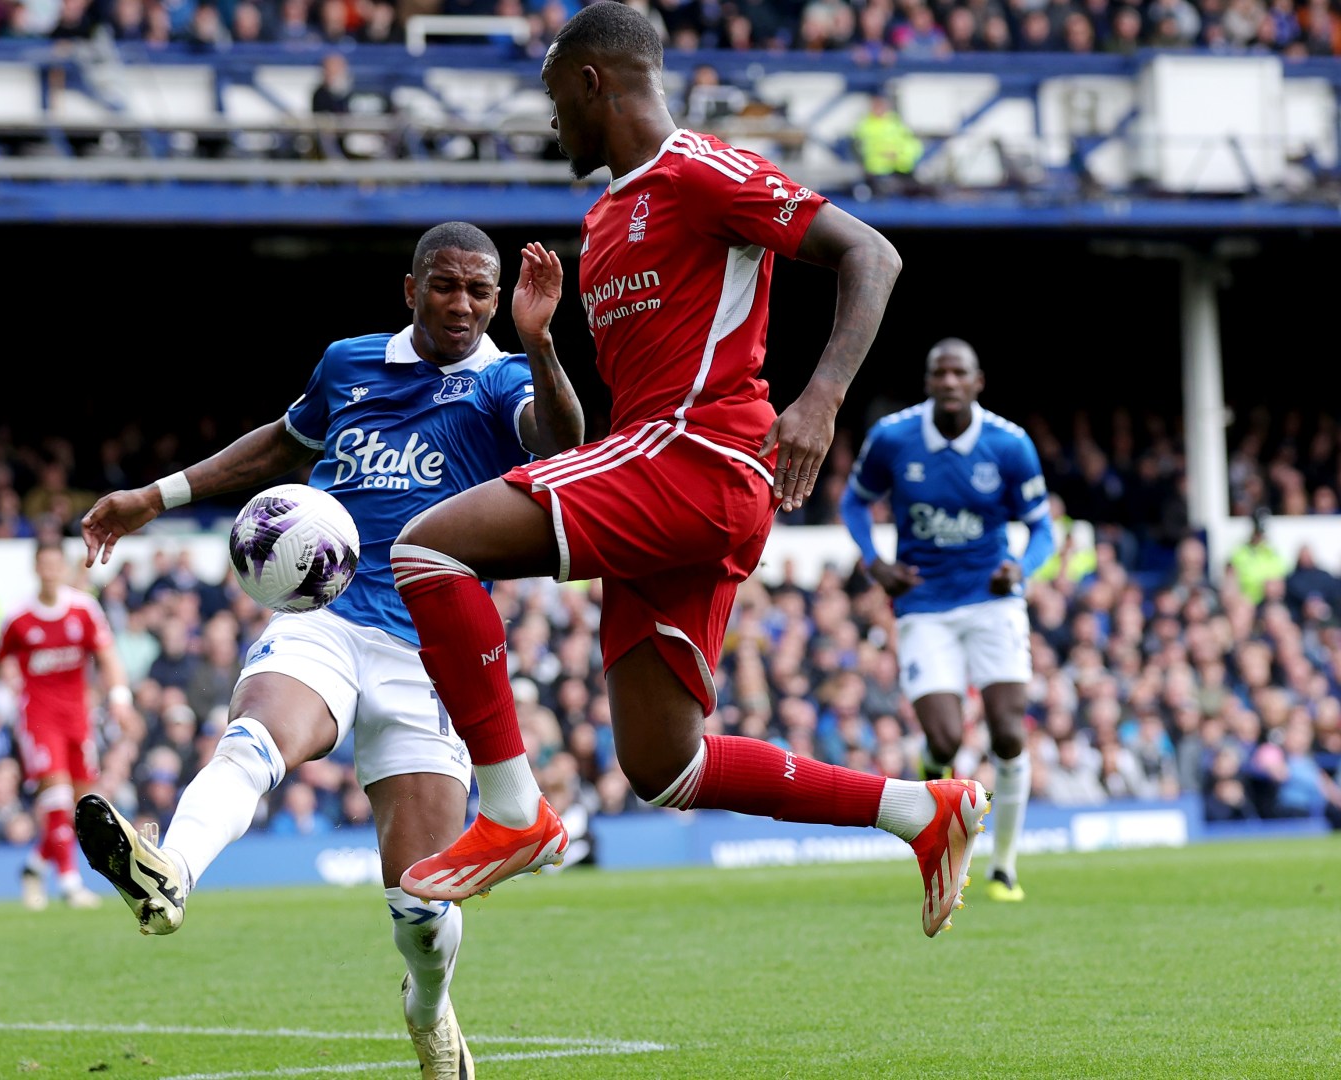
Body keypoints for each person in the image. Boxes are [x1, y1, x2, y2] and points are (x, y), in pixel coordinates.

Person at [387, 3, 984, 940]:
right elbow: (576, 438)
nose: (552, 123)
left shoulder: (701, 171)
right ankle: (920, 810)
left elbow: (871, 252)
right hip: (659, 475)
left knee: (424, 551)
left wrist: (821, 400)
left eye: (556, 99)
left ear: (594, 82)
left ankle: (510, 811)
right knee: (664, 766)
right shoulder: (602, 222)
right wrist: (541, 349)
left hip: (698, 459)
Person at [75, 221, 583, 1079]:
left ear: (499, 300)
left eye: (480, 292)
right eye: (445, 286)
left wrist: (540, 345)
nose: (462, 305)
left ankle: (429, 1011)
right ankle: (172, 876)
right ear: (411, 286)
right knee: (255, 736)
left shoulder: (501, 380)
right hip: (328, 617)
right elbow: (282, 444)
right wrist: (155, 497)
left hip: (432, 651)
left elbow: (561, 442)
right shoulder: (349, 362)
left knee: (417, 906)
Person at [840, 339, 1054, 902]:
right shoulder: (893, 437)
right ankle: (933, 784)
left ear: (978, 382)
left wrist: (1021, 569)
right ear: (929, 381)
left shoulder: (1010, 445)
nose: (951, 381)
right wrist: (874, 561)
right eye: (941, 372)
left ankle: (1003, 866)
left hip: (991, 602)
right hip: (925, 604)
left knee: (1009, 733)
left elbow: (1044, 529)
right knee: (945, 737)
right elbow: (853, 501)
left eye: (961, 372)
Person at [0, 541, 132, 911]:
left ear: (63, 567)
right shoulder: (19, 618)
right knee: (56, 797)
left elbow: (107, 657)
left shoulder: (84, 610)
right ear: (36, 568)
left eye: (56, 564)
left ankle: (34, 865)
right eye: (44, 564)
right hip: (38, 719)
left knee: (80, 807)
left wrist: (120, 697)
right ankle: (70, 884)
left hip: (78, 720)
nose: (51, 571)